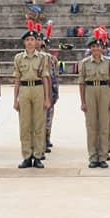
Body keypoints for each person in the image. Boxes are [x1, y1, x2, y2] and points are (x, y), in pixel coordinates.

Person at [14, 22, 52, 168]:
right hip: (24, 89)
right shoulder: (18, 58)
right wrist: (15, 99)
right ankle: (26, 156)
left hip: (38, 89)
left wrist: (47, 98)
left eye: (32, 40)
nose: (30, 42)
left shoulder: (43, 58)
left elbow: (45, 78)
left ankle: (37, 155)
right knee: (25, 125)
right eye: (27, 40)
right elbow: (17, 79)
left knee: (39, 124)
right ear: (24, 42)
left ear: (36, 42)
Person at [79, 28, 110, 168]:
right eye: (93, 46)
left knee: (104, 125)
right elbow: (81, 82)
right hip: (90, 91)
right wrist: (82, 101)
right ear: (90, 48)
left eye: (98, 46)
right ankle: (93, 157)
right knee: (91, 126)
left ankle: (103, 156)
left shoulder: (109, 62)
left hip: (104, 91)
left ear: (103, 48)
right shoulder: (84, 63)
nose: (96, 49)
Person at [41, 25, 60, 153]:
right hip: (38, 90)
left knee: (48, 117)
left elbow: (55, 77)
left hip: (50, 91)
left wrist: (55, 93)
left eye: (45, 46)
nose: (43, 48)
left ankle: (47, 138)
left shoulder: (52, 59)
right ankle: (40, 141)